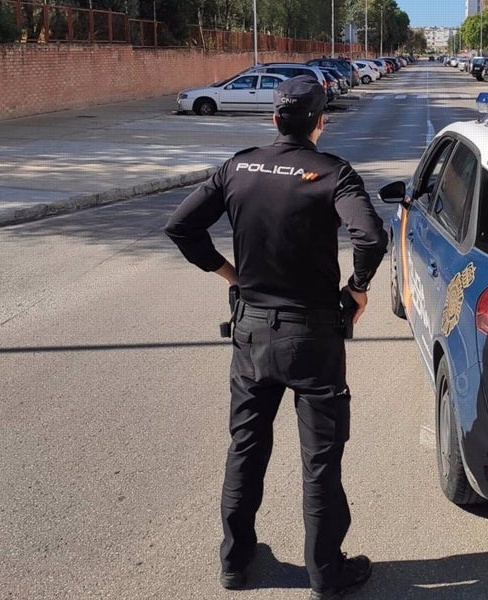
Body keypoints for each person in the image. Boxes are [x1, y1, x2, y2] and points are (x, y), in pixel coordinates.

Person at [165, 75, 387, 599]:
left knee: (245, 445)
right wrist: (356, 290)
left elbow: (180, 226)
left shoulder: (238, 166)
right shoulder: (334, 173)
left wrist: (231, 275)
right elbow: (371, 237)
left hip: (251, 333)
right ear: (320, 121)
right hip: (312, 337)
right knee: (320, 459)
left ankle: (236, 562)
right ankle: (325, 574)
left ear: (273, 119)